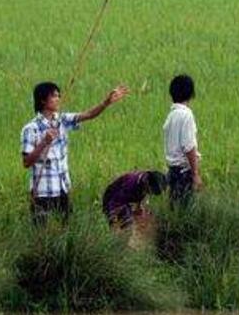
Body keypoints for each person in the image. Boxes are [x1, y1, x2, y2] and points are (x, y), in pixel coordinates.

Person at [21, 81, 128, 224]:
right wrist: (44, 142)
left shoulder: (62, 120)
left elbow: (89, 115)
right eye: (54, 96)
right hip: (42, 193)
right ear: (42, 100)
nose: (58, 99)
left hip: (63, 189)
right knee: (42, 235)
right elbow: (26, 162)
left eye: (58, 95)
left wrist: (106, 103)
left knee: (68, 231)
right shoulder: (31, 129)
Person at [163, 74, 202, 207]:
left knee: (175, 210)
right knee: (185, 211)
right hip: (183, 174)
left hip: (172, 172)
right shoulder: (186, 115)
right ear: (191, 94)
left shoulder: (171, 115)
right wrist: (195, 173)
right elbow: (189, 147)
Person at [102, 170, 167, 229]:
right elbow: (114, 203)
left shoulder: (143, 181)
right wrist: (114, 221)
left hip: (123, 201)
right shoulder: (130, 185)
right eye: (150, 191)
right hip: (112, 201)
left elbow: (138, 201)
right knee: (128, 222)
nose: (149, 193)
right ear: (146, 183)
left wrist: (139, 209)